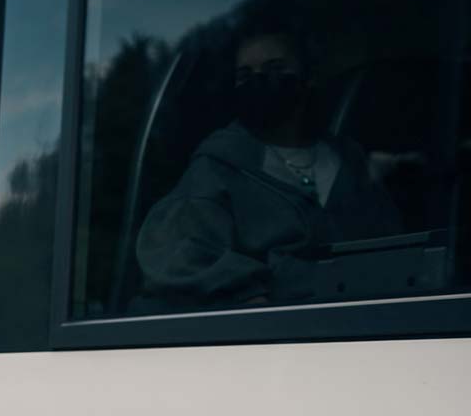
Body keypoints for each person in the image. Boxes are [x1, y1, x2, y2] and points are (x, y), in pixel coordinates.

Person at [135, 18, 401, 309]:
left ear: (307, 77)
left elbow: (393, 246)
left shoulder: (350, 161)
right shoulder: (216, 166)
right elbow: (178, 253)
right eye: (245, 74)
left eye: (275, 69)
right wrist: (248, 294)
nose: (259, 80)